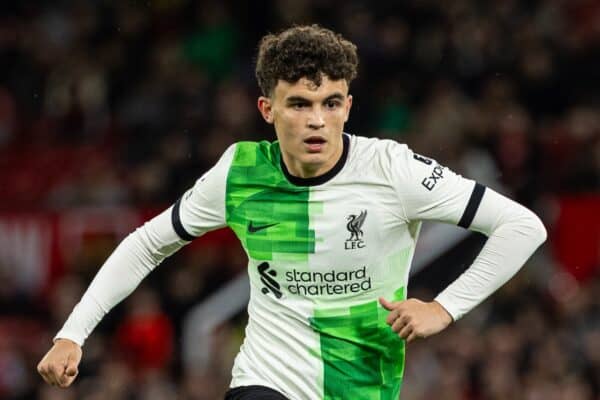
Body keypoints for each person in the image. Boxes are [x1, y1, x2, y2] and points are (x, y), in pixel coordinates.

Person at [37, 25, 547, 399]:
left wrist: (443, 308)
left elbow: (523, 226)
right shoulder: (239, 172)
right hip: (268, 376)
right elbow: (148, 243)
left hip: (362, 384)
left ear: (348, 105)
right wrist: (72, 334)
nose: (317, 121)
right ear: (267, 110)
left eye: (331, 102)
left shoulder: (391, 169)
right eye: (300, 104)